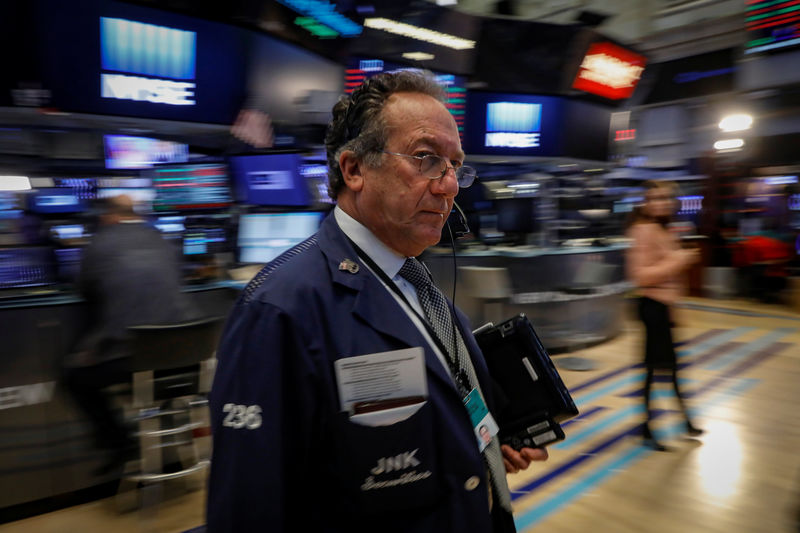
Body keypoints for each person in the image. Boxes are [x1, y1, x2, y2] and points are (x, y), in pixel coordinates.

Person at [207, 71, 548, 533]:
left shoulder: (417, 280)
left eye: (454, 166)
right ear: (354, 169)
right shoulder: (279, 310)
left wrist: (479, 444)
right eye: (426, 159)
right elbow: (248, 508)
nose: (448, 186)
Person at [62, 194, 193, 475]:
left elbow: (85, 291)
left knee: (73, 378)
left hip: (134, 358)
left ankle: (120, 444)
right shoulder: (163, 241)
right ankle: (168, 446)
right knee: (153, 381)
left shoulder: (99, 244)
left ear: (108, 218)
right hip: (183, 357)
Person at [625, 180, 704, 451]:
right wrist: (679, 260)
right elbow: (641, 276)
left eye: (666, 198)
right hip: (651, 307)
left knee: (664, 368)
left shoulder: (663, 230)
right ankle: (665, 424)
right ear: (646, 204)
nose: (662, 203)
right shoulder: (642, 231)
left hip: (662, 308)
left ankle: (668, 424)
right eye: (655, 198)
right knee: (661, 368)